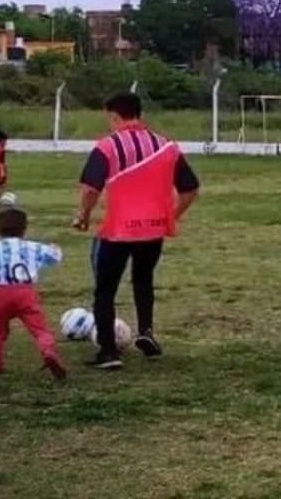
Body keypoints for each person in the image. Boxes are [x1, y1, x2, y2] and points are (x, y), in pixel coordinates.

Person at [72, 92, 199, 370]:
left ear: (114, 116)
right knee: (143, 280)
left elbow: (91, 188)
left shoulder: (108, 146)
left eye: (110, 119)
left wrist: (83, 215)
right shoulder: (165, 146)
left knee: (105, 290)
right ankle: (146, 332)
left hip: (118, 230)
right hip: (152, 230)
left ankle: (108, 352)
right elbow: (190, 189)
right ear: (139, 113)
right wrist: (170, 216)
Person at [0, 208, 67, 379]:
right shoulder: (34, 247)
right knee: (40, 329)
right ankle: (48, 352)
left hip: (2, 293)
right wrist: (56, 248)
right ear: (24, 228)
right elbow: (55, 257)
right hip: (26, 293)